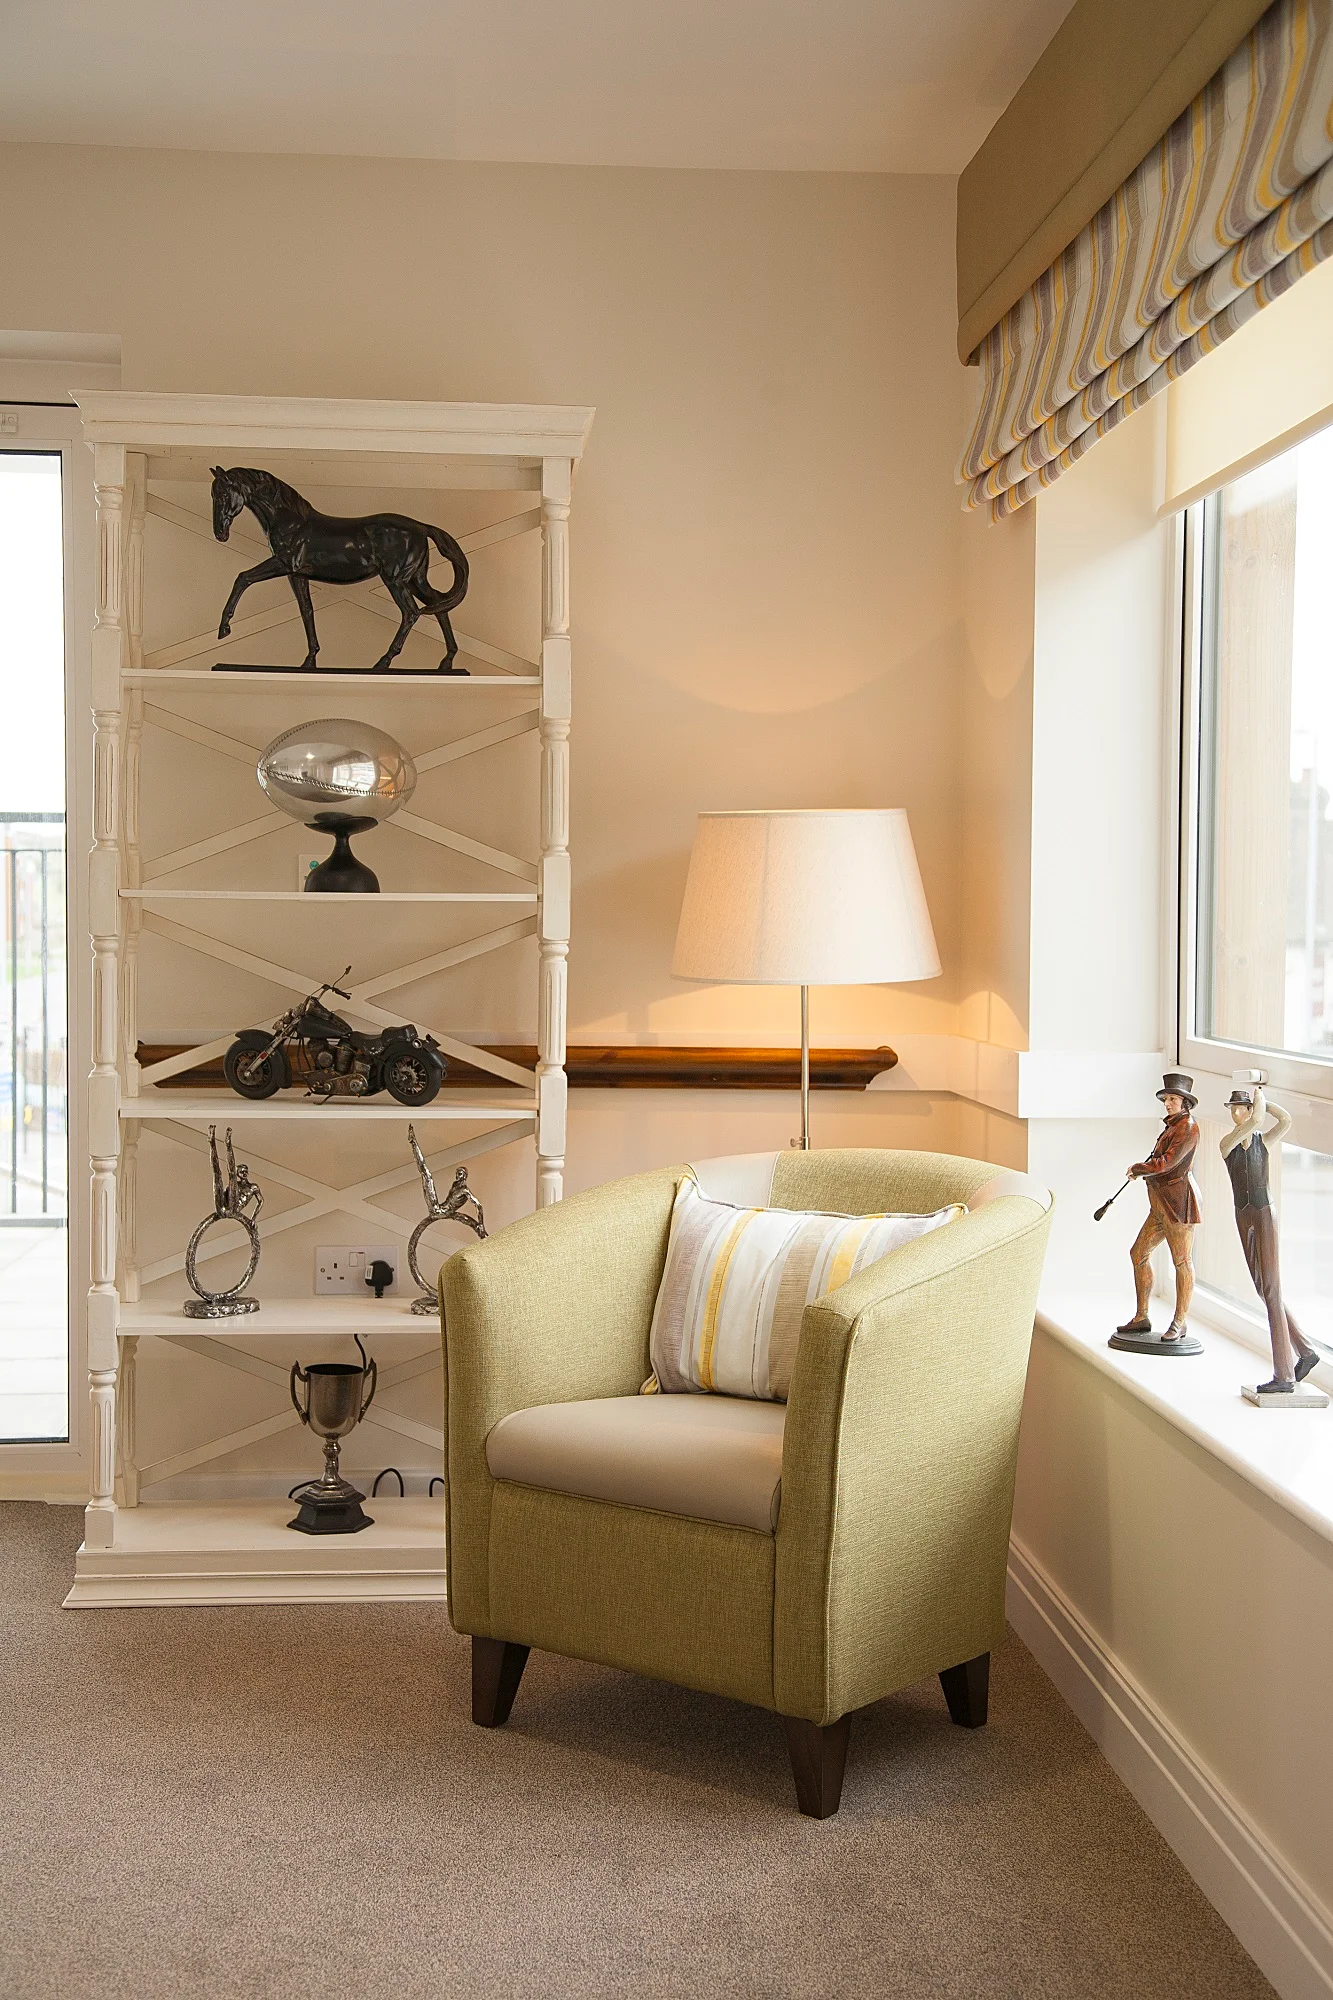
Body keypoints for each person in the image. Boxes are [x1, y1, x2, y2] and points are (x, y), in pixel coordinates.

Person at [1220, 1084, 1319, 1393]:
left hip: (1264, 1213)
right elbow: (1255, 1123)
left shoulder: (1264, 1141)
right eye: (1233, 1109)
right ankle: (1306, 1351)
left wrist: (1264, 1098)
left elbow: (1285, 1120)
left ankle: (1284, 1375)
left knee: (1272, 1291)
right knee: (1264, 1290)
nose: (1236, 1113)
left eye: (1242, 1107)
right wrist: (1257, 1106)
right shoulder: (1227, 1143)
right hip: (1243, 1214)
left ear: (1250, 1109)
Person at [1116, 1072, 1200, 1344]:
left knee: (1182, 1262)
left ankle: (1180, 1322)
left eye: (1173, 1099)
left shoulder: (1188, 1128)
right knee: (1138, 1253)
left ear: (1185, 1102)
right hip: (1160, 1206)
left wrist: (1139, 1168)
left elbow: (1166, 1163)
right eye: (1166, 1099)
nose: (1167, 1103)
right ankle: (1142, 1316)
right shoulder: (1172, 1126)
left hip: (1177, 1206)